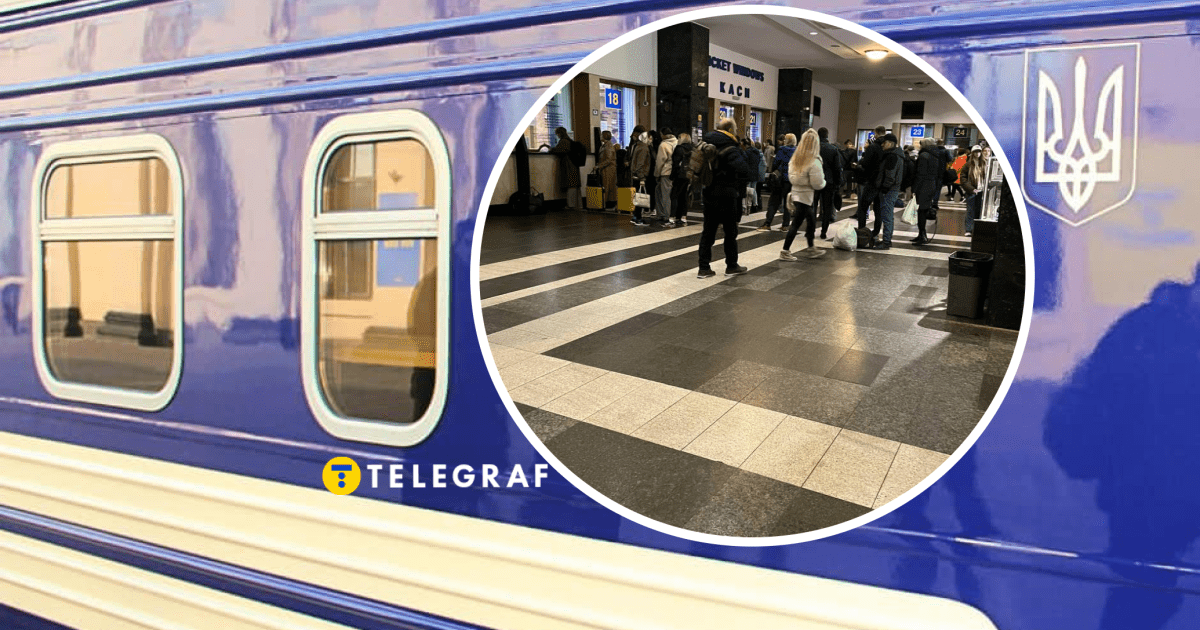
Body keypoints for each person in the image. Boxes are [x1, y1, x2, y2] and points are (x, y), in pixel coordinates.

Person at [698, 118, 751, 278]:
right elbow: (744, 170)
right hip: (727, 195)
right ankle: (731, 265)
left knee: (708, 232)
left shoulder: (706, 143)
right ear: (730, 130)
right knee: (730, 232)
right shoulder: (731, 147)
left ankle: (703, 268)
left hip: (708, 192)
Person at [779, 129, 826, 261]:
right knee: (796, 223)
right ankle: (785, 251)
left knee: (811, 221)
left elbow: (791, 177)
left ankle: (811, 247)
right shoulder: (814, 160)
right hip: (806, 196)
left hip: (796, 194)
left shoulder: (796, 158)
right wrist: (824, 182)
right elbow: (818, 183)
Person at [871, 133, 905, 250]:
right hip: (892, 189)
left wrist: (884, 188)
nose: (882, 145)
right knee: (887, 215)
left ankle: (886, 241)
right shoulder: (897, 155)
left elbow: (890, 175)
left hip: (889, 190)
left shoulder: (892, 156)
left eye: (884, 143)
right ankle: (886, 239)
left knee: (887, 215)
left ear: (890, 143)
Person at [759, 133, 796, 231]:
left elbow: (776, 163)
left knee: (774, 202)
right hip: (791, 180)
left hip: (780, 180)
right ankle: (785, 225)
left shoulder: (782, 150)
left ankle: (768, 223)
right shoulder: (797, 151)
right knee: (788, 203)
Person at [856, 125, 887, 232]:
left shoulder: (873, 147)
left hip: (872, 181)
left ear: (876, 133)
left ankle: (862, 230)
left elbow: (866, 164)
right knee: (878, 209)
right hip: (883, 183)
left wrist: (859, 167)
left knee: (863, 207)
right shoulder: (888, 147)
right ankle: (876, 232)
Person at [911, 138, 940, 246]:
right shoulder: (935, 155)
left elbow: (920, 174)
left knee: (921, 211)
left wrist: (915, 189)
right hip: (931, 184)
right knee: (923, 210)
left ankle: (922, 236)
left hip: (923, 185)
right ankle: (921, 234)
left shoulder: (924, 156)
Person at [816, 127, 842, 239]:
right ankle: (823, 231)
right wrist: (838, 183)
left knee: (813, 205)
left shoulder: (813, 148)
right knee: (827, 207)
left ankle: (810, 230)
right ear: (827, 135)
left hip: (815, 180)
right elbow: (837, 168)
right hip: (829, 181)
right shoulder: (833, 149)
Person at [549, 127, 581, 209]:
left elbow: (559, 150)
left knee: (571, 185)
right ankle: (576, 204)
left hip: (568, 166)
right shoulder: (569, 140)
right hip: (573, 165)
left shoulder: (564, 141)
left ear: (560, 133)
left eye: (557, 133)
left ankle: (571, 205)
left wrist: (551, 150)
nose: (557, 135)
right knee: (574, 185)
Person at [959, 145, 987, 236]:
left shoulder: (984, 163)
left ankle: (977, 229)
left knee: (979, 211)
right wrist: (971, 189)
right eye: (975, 152)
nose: (977, 153)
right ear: (972, 153)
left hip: (982, 191)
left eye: (979, 151)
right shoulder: (968, 164)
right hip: (972, 191)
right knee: (970, 211)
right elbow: (963, 178)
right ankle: (969, 230)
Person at [669, 133, 693, 226]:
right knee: (684, 196)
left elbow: (675, 164)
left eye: (679, 138)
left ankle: (672, 217)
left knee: (674, 195)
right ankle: (683, 217)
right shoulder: (692, 148)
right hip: (688, 175)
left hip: (679, 175)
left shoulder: (679, 149)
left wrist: (672, 177)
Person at [629, 128, 651, 226]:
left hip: (635, 176)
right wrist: (642, 177)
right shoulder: (643, 147)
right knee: (640, 197)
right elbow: (641, 164)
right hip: (640, 176)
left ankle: (635, 216)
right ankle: (638, 218)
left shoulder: (637, 146)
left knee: (637, 197)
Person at [655, 127, 677, 224]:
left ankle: (665, 215)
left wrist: (657, 174)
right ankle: (672, 214)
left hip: (666, 172)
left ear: (663, 135)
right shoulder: (677, 142)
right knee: (672, 194)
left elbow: (660, 161)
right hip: (676, 172)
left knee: (665, 195)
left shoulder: (663, 145)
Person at [741, 137, 764, 215]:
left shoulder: (747, 153)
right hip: (755, 173)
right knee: (753, 190)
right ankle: (755, 204)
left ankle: (747, 206)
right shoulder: (757, 152)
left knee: (747, 191)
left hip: (748, 174)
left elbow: (745, 163)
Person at [596, 130, 617, 209]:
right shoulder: (605, 146)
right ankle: (606, 203)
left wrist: (599, 166)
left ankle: (608, 203)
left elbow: (609, 159)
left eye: (602, 135)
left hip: (609, 170)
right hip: (605, 169)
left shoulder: (608, 146)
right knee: (607, 186)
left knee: (608, 187)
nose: (600, 136)